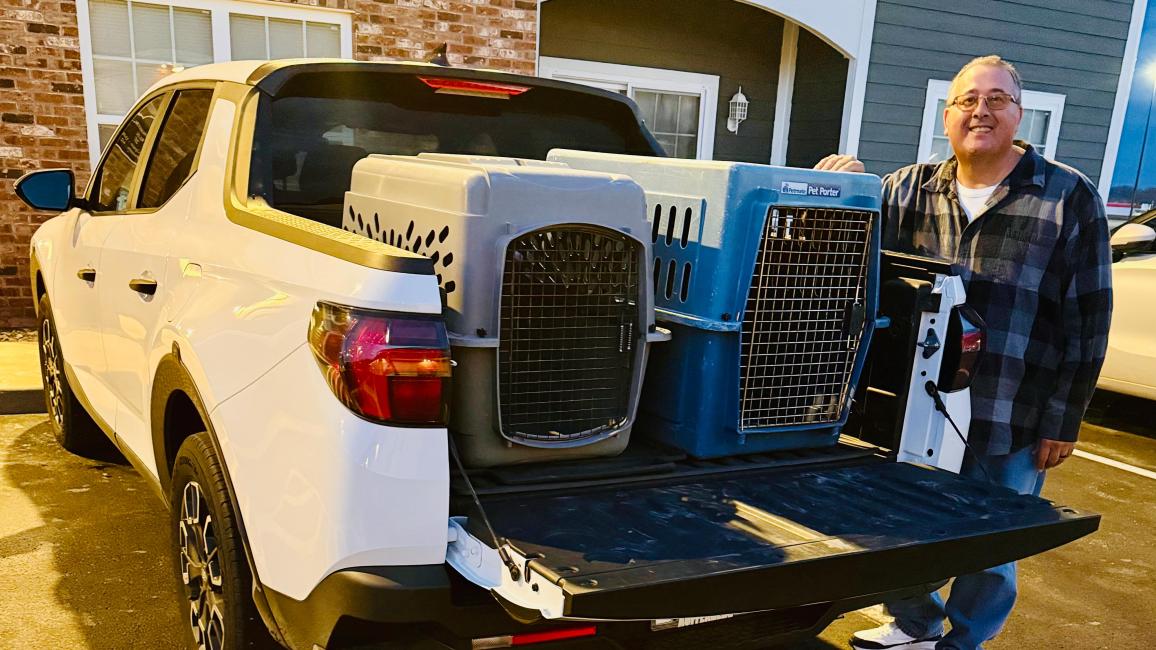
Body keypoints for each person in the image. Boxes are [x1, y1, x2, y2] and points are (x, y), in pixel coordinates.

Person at [816, 55, 1113, 650]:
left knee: (991, 540)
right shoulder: (904, 189)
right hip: (909, 406)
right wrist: (837, 185)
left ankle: (965, 641)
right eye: (967, 100)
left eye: (997, 99)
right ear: (947, 115)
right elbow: (839, 254)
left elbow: (1089, 319)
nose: (981, 110)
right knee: (900, 523)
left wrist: (1065, 419)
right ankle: (914, 624)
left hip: (1011, 408)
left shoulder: (1067, 196)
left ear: (1019, 113)